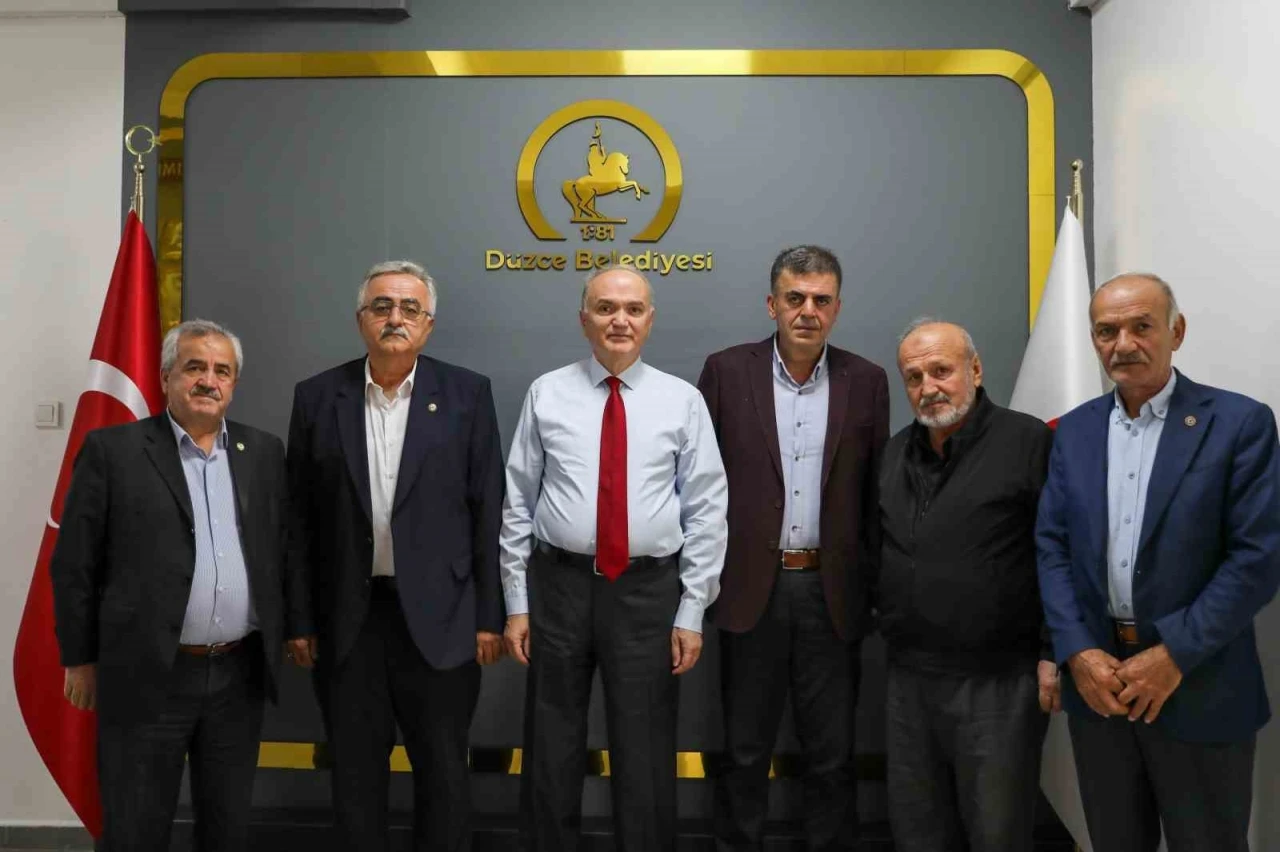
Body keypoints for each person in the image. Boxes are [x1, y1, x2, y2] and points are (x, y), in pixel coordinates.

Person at [1037, 272, 1280, 852]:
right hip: (1099, 687)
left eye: (1141, 327)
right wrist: (1077, 650)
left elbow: (1257, 557)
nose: (1123, 344)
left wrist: (1174, 654)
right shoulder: (1074, 430)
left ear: (1177, 331)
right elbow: (1052, 547)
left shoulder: (1239, 424)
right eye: (1106, 331)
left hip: (1199, 683)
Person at [51, 319, 307, 852]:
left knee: (226, 827)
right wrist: (79, 657)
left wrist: (295, 628)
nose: (208, 381)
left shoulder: (263, 453)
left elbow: (284, 550)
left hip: (238, 674)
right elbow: (75, 563)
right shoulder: (114, 451)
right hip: (147, 673)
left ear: (233, 383)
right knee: (136, 827)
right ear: (166, 377)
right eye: (195, 367)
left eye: (222, 371)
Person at [500, 264, 728, 852]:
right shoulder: (546, 393)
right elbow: (518, 500)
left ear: (650, 320)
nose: (619, 320)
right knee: (551, 743)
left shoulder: (683, 401)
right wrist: (517, 603)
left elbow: (706, 510)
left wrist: (692, 610)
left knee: (645, 748)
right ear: (584, 320)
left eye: (632, 309)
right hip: (559, 587)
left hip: (648, 594)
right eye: (605, 308)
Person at [286, 260, 505, 852]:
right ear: (361, 319)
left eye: (410, 308)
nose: (395, 318)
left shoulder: (466, 395)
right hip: (348, 619)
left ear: (428, 324)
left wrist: (490, 616)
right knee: (355, 772)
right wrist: (300, 619)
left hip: (443, 618)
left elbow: (488, 510)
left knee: (443, 770)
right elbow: (298, 520)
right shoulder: (317, 397)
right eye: (381, 306)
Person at [696, 245, 888, 851]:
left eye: (821, 300)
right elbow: (698, 484)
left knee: (832, 754)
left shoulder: (868, 381)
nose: (808, 311)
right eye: (795, 298)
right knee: (743, 749)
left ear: (837, 308)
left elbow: (874, 496)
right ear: (772, 304)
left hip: (832, 593)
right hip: (749, 588)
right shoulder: (727, 372)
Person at [878, 319, 1055, 852]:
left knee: (997, 832)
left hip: (998, 683)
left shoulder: (1028, 441)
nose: (928, 387)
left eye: (941, 370)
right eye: (914, 377)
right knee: (917, 833)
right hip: (909, 681)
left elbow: (1062, 552)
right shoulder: (893, 453)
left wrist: (1053, 652)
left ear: (975, 370)